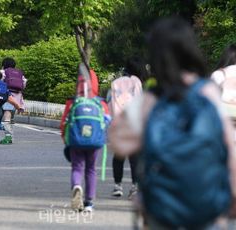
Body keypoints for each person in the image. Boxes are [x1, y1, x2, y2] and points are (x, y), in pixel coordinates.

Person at [109, 17, 236, 229]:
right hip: (207, 204)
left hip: (162, 208)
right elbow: (228, 147)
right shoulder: (208, 92)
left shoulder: (151, 99)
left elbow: (118, 141)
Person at [61, 64, 111, 212]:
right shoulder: (100, 102)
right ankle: (89, 203)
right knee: (91, 169)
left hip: (76, 140)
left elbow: (64, 122)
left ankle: (76, 186)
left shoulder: (73, 101)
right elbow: (108, 120)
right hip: (95, 141)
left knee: (77, 167)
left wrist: (65, 138)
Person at [108, 57, 144, 198]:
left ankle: (118, 186)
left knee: (119, 156)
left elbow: (111, 103)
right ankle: (135, 187)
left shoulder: (115, 82)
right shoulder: (136, 82)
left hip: (117, 123)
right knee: (134, 157)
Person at [0, 57, 26, 144]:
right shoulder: (19, 73)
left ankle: (8, 137)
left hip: (8, 97)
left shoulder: (3, 72)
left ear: (3, 65)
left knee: (7, 118)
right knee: (11, 119)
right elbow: (24, 84)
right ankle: (10, 135)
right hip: (18, 98)